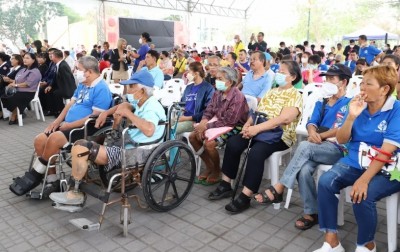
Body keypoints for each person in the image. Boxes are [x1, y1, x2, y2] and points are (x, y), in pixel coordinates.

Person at [314, 65, 400, 252]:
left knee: (363, 194)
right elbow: (343, 139)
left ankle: (366, 245)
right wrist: (351, 117)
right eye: (361, 83)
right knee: (326, 182)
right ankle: (331, 242)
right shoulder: (357, 104)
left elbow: (386, 151)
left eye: (368, 84)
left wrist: (363, 180)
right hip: (356, 161)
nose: (362, 88)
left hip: (390, 167)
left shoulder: (396, 110)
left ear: (385, 89)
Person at [255, 64, 352, 230]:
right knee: (304, 169)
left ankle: (280, 186)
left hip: (337, 149)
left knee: (304, 146)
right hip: (316, 145)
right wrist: (312, 131)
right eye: (326, 78)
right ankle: (311, 213)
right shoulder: (322, 102)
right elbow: (311, 122)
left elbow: (341, 129)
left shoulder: (349, 104)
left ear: (343, 82)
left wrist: (320, 136)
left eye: (332, 79)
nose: (327, 81)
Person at [49, 70, 166, 205]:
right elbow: (122, 105)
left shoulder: (151, 107)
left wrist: (128, 114)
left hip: (138, 152)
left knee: (82, 148)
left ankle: (75, 193)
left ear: (143, 91)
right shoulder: (141, 102)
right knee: (83, 144)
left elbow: (149, 130)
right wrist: (105, 114)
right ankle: (76, 188)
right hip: (127, 145)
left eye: (131, 87)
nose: (127, 91)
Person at [9, 56, 113, 197]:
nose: (76, 72)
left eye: (79, 69)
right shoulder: (83, 84)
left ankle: (35, 174)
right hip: (67, 126)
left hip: (87, 128)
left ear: (89, 71)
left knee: (54, 138)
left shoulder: (101, 88)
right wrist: (57, 122)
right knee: (39, 139)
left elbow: (94, 117)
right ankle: (53, 180)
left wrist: (69, 125)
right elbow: (70, 104)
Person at [209, 60, 303, 213]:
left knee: (256, 152)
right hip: (259, 130)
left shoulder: (295, 95)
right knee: (233, 142)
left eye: (283, 72)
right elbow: (257, 112)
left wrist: (256, 129)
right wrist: (248, 125)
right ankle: (226, 183)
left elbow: (283, 119)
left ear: (292, 77)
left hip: (279, 136)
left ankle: (246, 195)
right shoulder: (271, 92)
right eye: (278, 71)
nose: (278, 74)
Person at [189, 67, 249, 185]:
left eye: (220, 79)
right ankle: (209, 166)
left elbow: (229, 121)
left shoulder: (238, 97)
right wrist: (203, 122)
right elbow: (209, 109)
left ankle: (217, 170)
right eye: (216, 78)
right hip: (218, 121)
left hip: (235, 126)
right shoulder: (218, 92)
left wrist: (206, 126)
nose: (217, 81)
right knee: (193, 137)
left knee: (209, 144)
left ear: (230, 82)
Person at [1, 53, 41, 125]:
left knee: (12, 98)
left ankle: (14, 114)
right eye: (24, 58)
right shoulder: (23, 70)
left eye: (27, 58)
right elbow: (17, 79)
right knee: (4, 96)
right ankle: (16, 112)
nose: (25, 59)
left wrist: (15, 85)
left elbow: (27, 84)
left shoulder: (35, 71)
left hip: (28, 92)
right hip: (19, 90)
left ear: (33, 60)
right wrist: (11, 82)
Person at [175, 62, 214, 135]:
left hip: (195, 121)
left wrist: (188, 118)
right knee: (164, 127)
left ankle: (172, 146)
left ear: (196, 73)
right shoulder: (188, 87)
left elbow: (207, 110)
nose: (187, 74)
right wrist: (180, 111)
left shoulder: (208, 88)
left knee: (173, 129)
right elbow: (181, 104)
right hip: (182, 117)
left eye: (189, 72)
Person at [44, 49, 76, 117]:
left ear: (55, 57)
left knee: (56, 93)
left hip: (68, 88)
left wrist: (65, 91)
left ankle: (61, 112)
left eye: (51, 55)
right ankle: (53, 110)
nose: (50, 56)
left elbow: (68, 80)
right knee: (49, 90)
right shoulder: (58, 64)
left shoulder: (63, 66)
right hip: (62, 86)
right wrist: (50, 85)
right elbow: (55, 78)